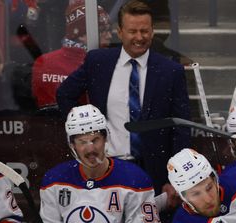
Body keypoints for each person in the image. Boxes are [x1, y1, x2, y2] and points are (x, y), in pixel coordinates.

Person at [56, 0, 190, 197]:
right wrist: (84, 133)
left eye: (144, 31)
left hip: (154, 173)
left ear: (152, 32)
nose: (139, 37)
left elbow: (181, 127)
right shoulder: (98, 62)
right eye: (132, 31)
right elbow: (64, 94)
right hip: (106, 167)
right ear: (120, 32)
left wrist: (177, 178)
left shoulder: (171, 71)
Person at [36, 104, 161, 223]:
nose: (90, 149)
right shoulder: (54, 180)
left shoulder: (134, 180)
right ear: (72, 144)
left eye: (95, 140)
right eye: (82, 142)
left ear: (105, 139)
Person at [31, 0, 112, 109]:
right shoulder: (97, 64)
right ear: (82, 35)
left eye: (109, 30)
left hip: (49, 124)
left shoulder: (43, 61)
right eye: (103, 30)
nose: (109, 36)